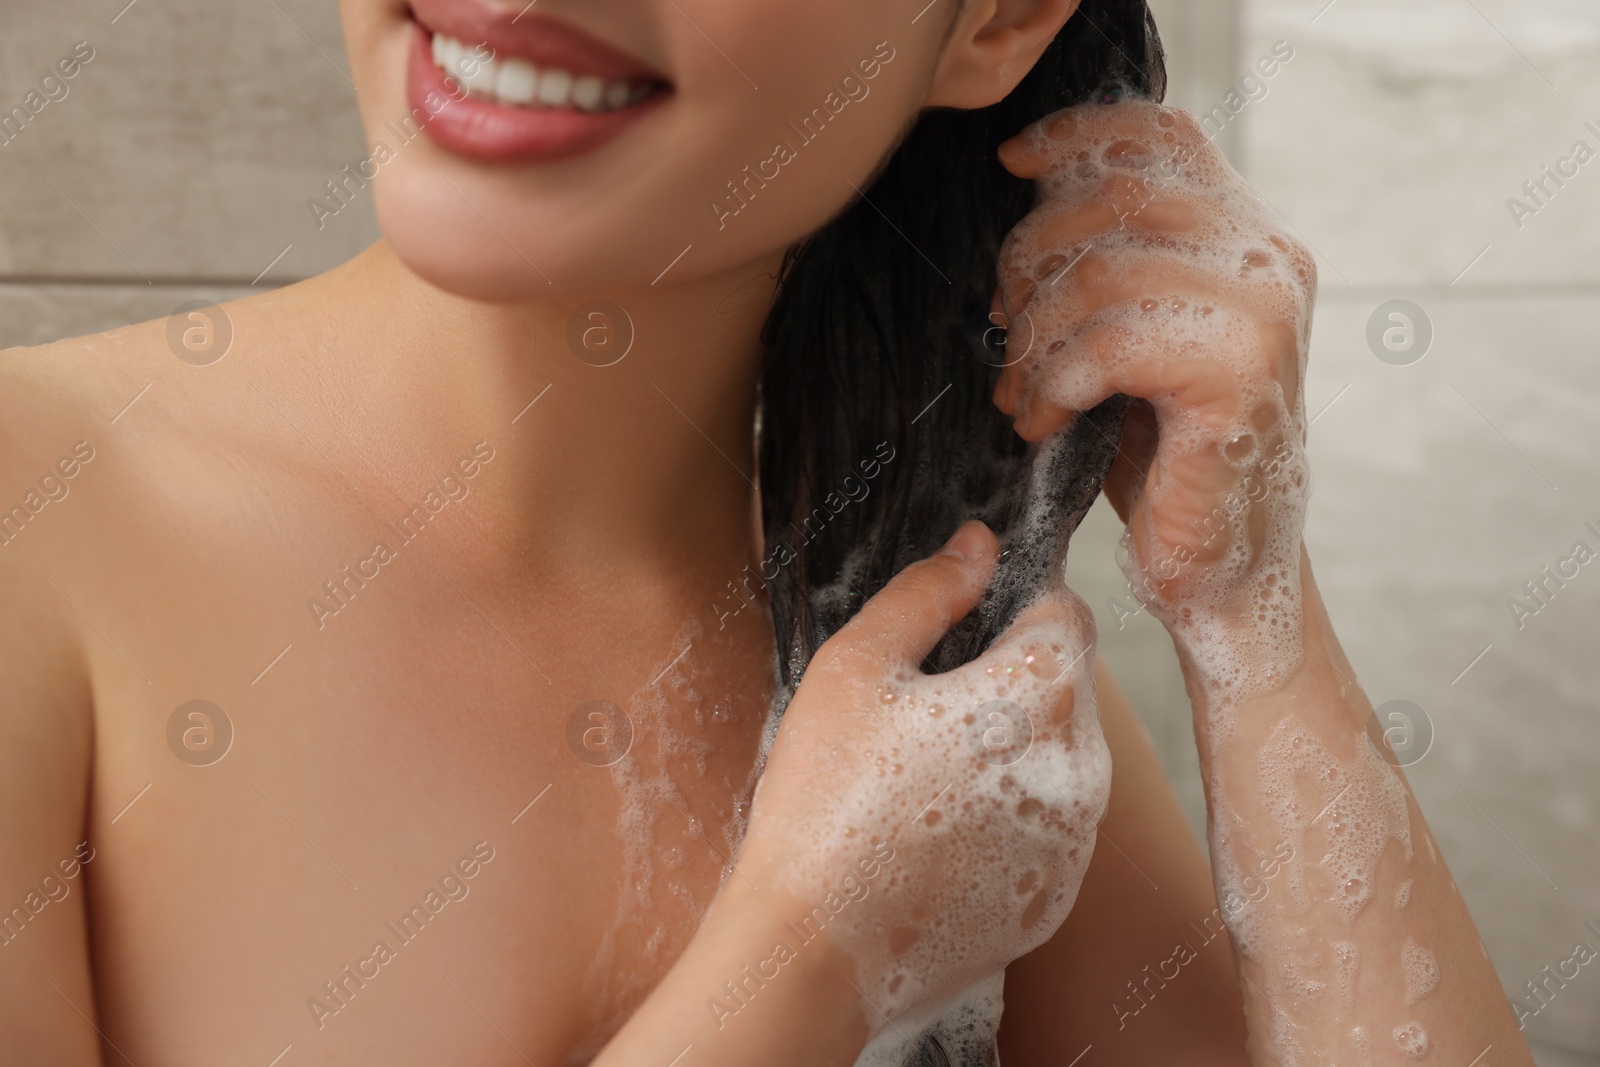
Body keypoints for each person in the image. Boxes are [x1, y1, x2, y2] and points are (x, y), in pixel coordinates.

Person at [0, 0, 1532, 1063]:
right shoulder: (37, 521)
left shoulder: (940, 674)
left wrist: (1254, 614)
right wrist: (804, 962)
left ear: (993, 22)